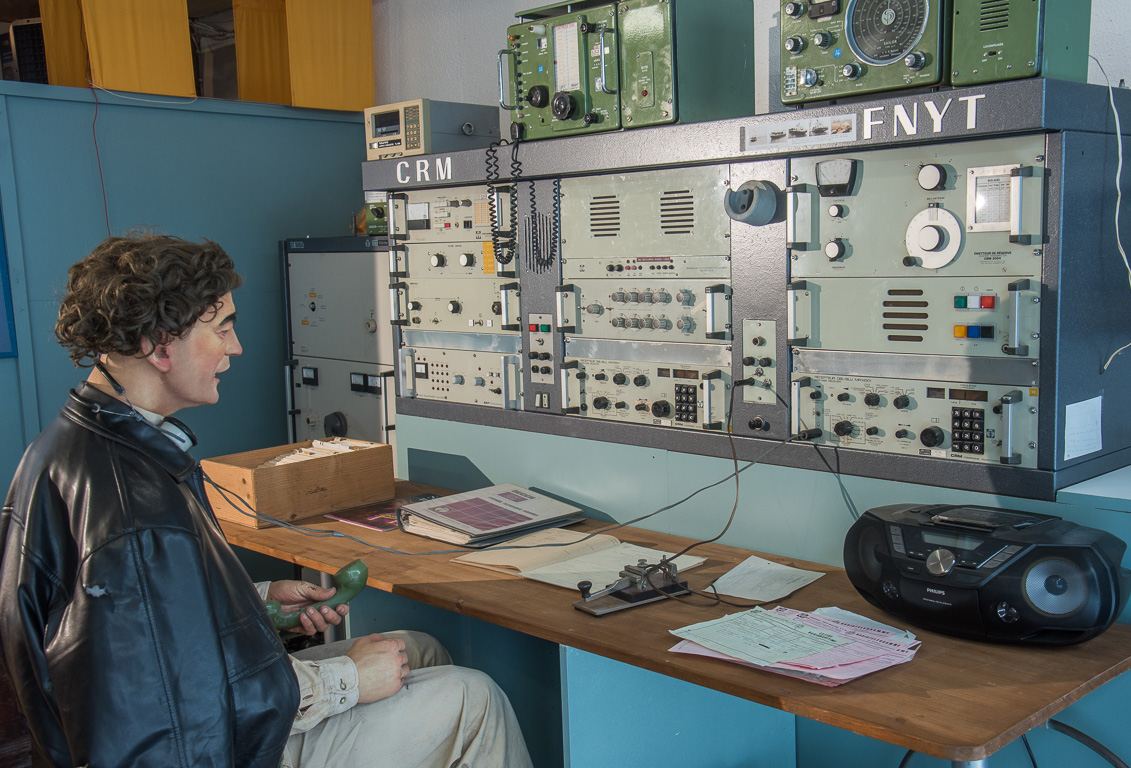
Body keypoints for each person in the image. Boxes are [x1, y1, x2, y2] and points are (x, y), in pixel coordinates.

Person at [0, 234, 533, 768]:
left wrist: (253, 602)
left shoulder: (72, 446)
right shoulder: (133, 506)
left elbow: (153, 629)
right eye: (223, 328)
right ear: (161, 345)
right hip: (216, 749)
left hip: (148, 725)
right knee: (474, 698)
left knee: (416, 648)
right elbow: (171, 717)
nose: (236, 347)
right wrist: (345, 681)